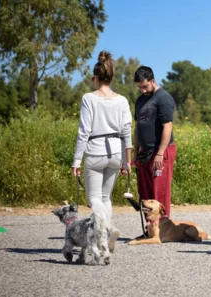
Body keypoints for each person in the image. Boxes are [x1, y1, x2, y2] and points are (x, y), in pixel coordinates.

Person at [72, 50, 132, 252]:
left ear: (96, 78)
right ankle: (105, 236)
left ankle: (107, 229)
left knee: (94, 199)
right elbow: (126, 133)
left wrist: (76, 161)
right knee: (105, 198)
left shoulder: (89, 98)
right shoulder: (122, 100)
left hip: (96, 151)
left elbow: (84, 132)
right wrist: (127, 161)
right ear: (111, 77)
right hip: (115, 153)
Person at [132, 66, 177, 228]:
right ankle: (150, 229)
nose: (143, 90)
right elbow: (138, 128)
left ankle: (163, 229)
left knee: (160, 193)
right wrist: (135, 154)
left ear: (152, 81)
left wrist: (160, 153)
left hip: (160, 152)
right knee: (145, 195)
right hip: (144, 153)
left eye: (145, 86)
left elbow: (168, 127)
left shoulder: (163, 98)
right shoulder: (140, 100)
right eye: (140, 87)